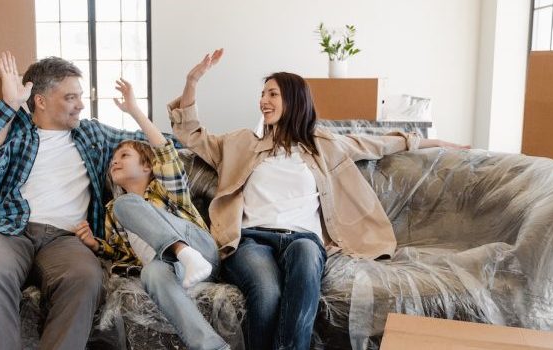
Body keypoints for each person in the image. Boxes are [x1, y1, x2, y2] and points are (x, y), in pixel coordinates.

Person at [168, 49, 468, 350]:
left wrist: (437, 143)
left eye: (272, 94)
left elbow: (380, 143)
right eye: (262, 94)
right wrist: (192, 80)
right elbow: (189, 132)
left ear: (294, 100)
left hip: (303, 239)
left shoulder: (322, 144)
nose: (263, 101)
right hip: (251, 241)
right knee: (267, 292)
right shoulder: (240, 143)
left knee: (307, 258)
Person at [0, 52, 159, 350]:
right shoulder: (13, 131)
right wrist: (9, 106)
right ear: (41, 100)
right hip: (5, 229)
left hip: (67, 238)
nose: (81, 104)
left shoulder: (91, 133)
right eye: (71, 97)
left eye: (80, 96)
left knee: (85, 278)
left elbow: (163, 146)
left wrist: (137, 111)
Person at [74, 78, 228, 350]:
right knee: (151, 274)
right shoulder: (114, 212)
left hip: (201, 250)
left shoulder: (166, 189)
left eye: (124, 156)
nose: (115, 161)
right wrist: (95, 244)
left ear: (147, 166)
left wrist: (134, 110)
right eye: (113, 160)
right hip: (173, 267)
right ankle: (212, 347)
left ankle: (184, 251)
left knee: (127, 204)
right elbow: (124, 255)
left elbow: (165, 151)